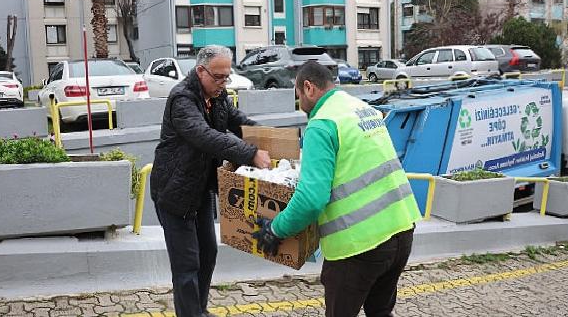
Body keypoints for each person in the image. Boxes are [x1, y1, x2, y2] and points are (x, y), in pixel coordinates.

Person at [253, 61, 422, 317]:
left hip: (359, 246)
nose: (299, 104)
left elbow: (311, 199)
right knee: (380, 312)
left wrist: (276, 229)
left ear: (308, 88)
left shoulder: (321, 124)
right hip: (401, 230)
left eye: (298, 95)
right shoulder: (363, 109)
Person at [150, 45, 271, 317]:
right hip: (174, 192)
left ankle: (199, 310)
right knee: (186, 264)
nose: (223, 82)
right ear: (200, 71)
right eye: (218, 77)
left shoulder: (218, 96)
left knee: (208, 255)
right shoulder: (182, 98)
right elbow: (204, 136)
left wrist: (271, 139)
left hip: (201, 189)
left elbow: (239, 123)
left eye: (226, 76)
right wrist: (250, 153)